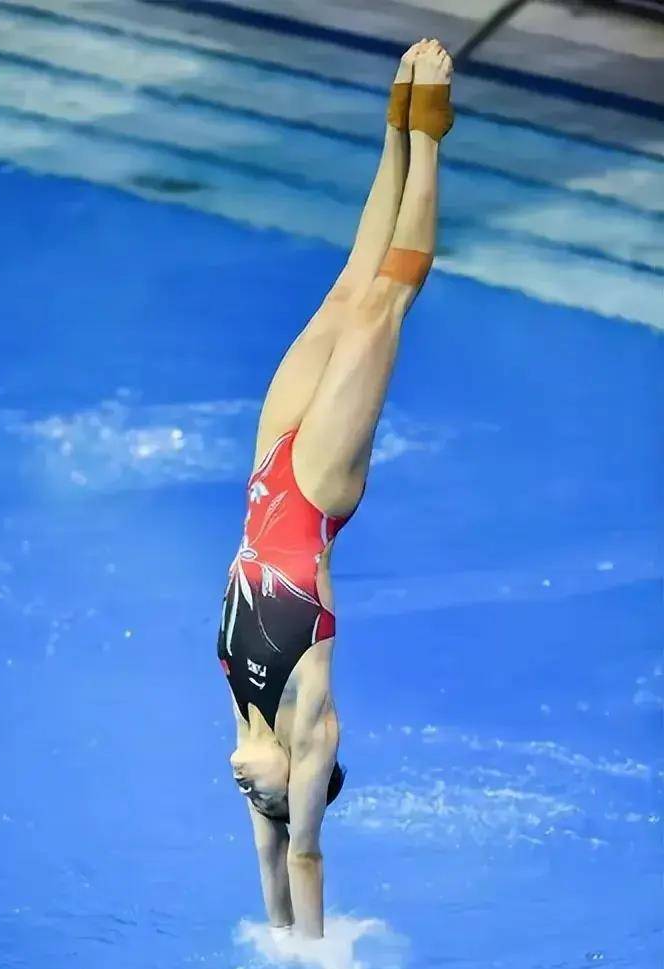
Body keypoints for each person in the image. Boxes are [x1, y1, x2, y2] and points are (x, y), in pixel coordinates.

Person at [216, 38, 454, 938]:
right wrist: (311, 958)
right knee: (387, 299)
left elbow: (268, 862)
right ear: (308, 779)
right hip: (315, 495)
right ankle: (431, 134)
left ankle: (392, 127)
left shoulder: (243, 725)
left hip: (269, 462)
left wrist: (273, 938)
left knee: (346, 287)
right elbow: (302, 854)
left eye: (257, 801)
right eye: (273, 799)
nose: (254, 794)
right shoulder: (308, 732)